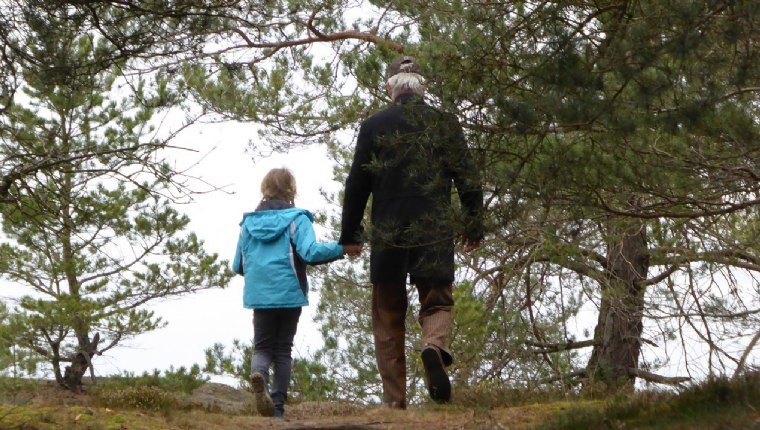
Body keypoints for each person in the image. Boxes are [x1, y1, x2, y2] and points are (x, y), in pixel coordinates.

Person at [339, 56, 484, 408]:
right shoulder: (445, 124)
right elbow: (468, 180)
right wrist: (473, 227)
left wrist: (351, 234)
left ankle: (394, 403)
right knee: (437, 301)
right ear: (424, 86)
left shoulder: (374, 125)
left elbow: (357, 182)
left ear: (391, 89)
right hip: (433, 229)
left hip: (389, 232)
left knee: (388, 316)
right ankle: (434, 347)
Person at [232, 167, 358, 418]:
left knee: (263, 347)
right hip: (289, 293)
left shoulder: (248, 224)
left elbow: (238, 265)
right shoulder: (297, 219)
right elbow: (310, 252)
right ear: (292, 190)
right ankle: (277, 406)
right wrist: (342, 248)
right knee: (283, 350)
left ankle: (260, 378)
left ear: (264, 189)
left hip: (260, 294)